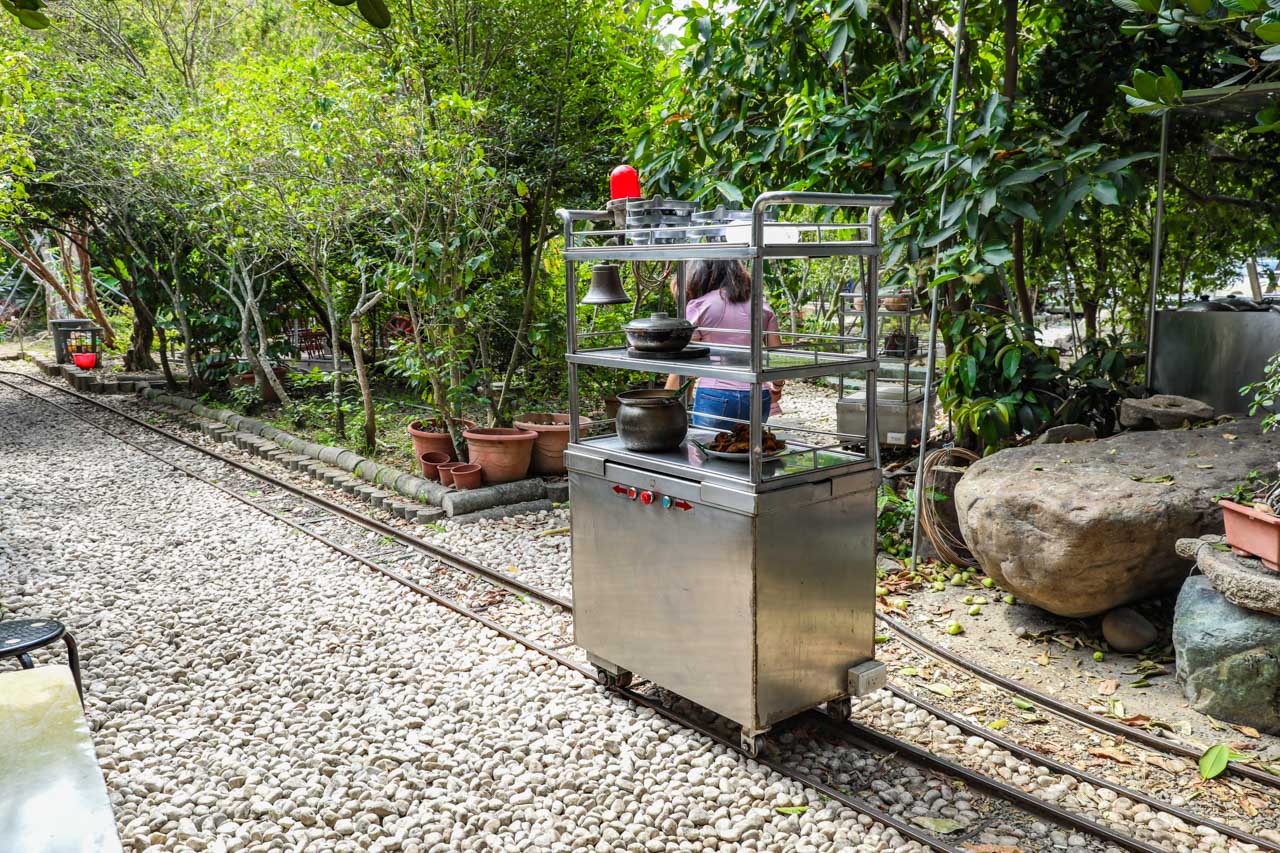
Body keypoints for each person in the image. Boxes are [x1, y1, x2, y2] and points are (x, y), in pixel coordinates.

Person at [664, 259, 784, 430]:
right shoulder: (762, 306)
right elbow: (777, 359)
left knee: (708, 450)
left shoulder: (700, 306)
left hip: (716, 395)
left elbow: (685, 365)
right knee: (746, 450)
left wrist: (664, 405)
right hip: (759, 395)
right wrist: (777, 388)